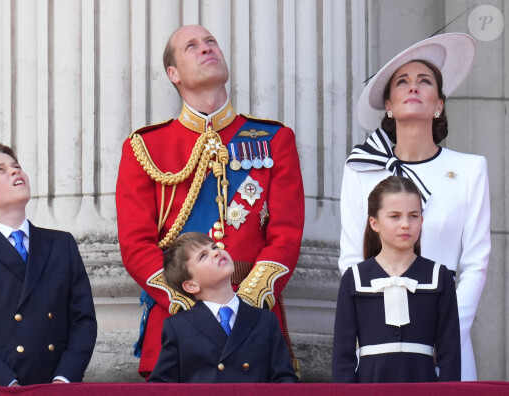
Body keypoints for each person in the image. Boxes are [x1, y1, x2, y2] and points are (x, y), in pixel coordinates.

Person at [116, 25, 304, 378]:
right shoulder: (145, 148)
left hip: (255, 316)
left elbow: (287, 234)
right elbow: (135, 244)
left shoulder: (274, 139)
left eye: (211, 42)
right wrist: (189, 305)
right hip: (177, 318)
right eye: (192, 46)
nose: (206, 49)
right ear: (173, 74)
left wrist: (243, 304)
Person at [339, 33, 489, 381]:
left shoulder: (470, 169)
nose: (413, 87)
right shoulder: (361, 169)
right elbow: (351, 260)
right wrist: (371, 330)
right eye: (402, 82)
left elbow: (476, 265)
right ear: (388, 104)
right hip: (378, 344)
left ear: (439, 103)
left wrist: (446, 332)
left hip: (446, 341)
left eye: (425, 81)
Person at [0, 142, 97, 386]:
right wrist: (7, 384)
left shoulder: (62, 244)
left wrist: (64, 378)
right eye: (0, 170)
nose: (15, 171)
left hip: (55, 387)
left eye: (16, 166)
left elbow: (83, 321)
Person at [333, 176, 461, 382]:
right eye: (395, 216)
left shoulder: (440, 277)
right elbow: (342, 358)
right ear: (374, 223)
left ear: (422, 220)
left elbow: (450, 356)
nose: (405, 224)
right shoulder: (354, 278)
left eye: (413, 216)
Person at [148, 232, 299, 383]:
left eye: (214, 246)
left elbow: (284, 379)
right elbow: (161, 386)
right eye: (203, 256)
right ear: (191, 285)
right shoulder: (178, 327)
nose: (216, 252)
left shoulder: (265, 320)